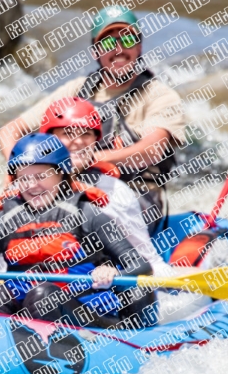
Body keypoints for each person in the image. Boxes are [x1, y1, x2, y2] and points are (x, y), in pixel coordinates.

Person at [0, 133, 157, 329]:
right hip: (27, 322)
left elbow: (140, 265)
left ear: (62, 175)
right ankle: (2, 363)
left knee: (43, 295)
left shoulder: (88, 214)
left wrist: (110, 273)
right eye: (24, 178)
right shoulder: (7, 221)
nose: (33, 186)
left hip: (85, 317)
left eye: (42, 176)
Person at [0, 5, 189, 234]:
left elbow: (152, 149)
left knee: (84, 216)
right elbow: (9, 131)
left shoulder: (160, 95)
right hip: (70, 188)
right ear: (95, 52)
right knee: (9, 209)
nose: (118, 50)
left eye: (127, 40)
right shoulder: (77, 88)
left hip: (136, 197)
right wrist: (21, 168)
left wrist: (90, 159)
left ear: (138, 46)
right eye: (108, 43)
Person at [39, 96, 179, 277]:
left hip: (95, 289)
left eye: (86, 134)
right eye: (68, 133)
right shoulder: (28, 188)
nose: (79, 142)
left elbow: (148, 261)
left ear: (95, 141)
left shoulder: (114, 192)